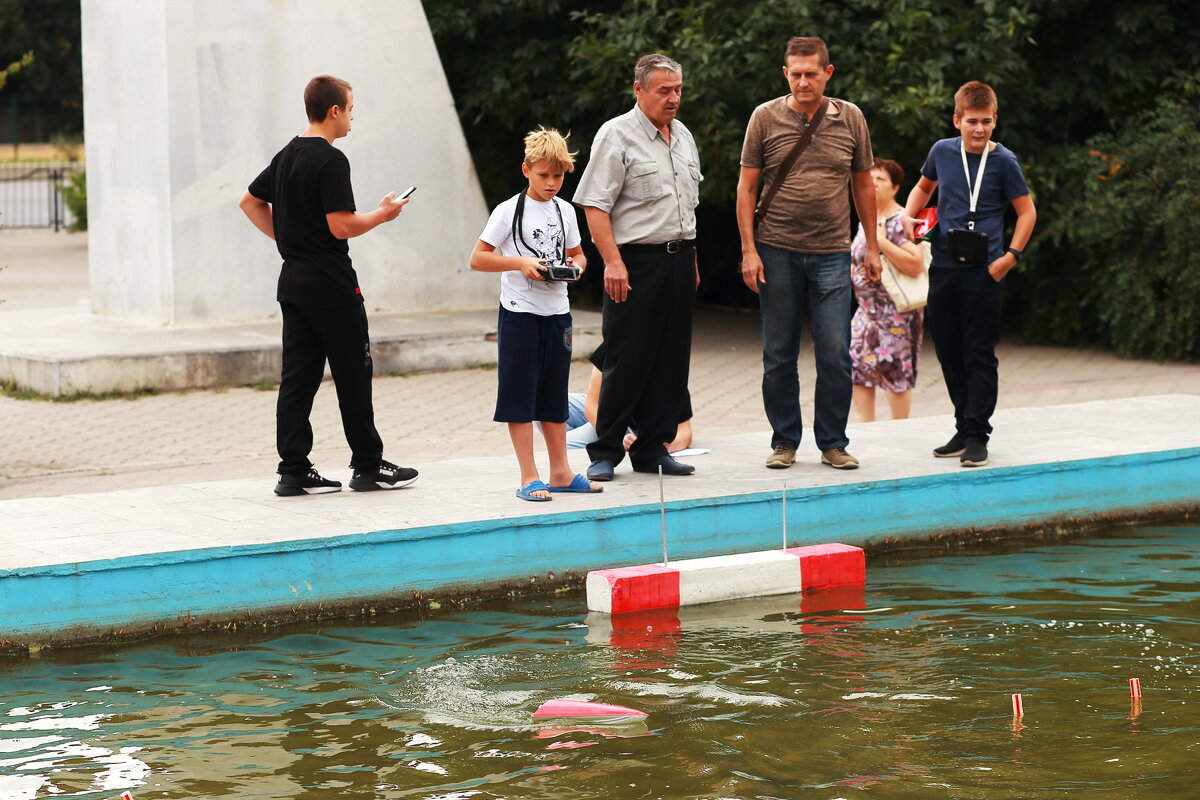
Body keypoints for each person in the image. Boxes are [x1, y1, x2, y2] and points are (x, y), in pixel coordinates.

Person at [239, 75, 418, 497]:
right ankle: (369, 466)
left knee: (297, 379)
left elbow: (249, 201)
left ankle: (294, 470)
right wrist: (383, 214)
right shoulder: (331, 160)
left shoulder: (286, 154)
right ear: (334, 110)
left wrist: (289, 241)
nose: (353, 117)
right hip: (332, 284)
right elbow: (341, 226)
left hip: (294, 281)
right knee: (354, 372)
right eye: (351, 109)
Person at [737, 36, 880, 472]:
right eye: (795, 74)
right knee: (778, 353)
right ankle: (784, 441)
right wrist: (748, 250)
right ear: (786, 74)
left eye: (811, 74)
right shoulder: (764, 117)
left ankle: (833, 443)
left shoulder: (850, 117)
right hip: (775, 250)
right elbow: (746, 188)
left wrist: (872, 246)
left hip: (833, 252)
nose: (803, 81)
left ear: (827, 73)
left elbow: (863, 185)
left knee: (836, 352)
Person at [573, 53, 703, 482]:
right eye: (664, 90)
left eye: (678, 89)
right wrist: (612, 262)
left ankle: (653, 448)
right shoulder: (617, 135)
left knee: (671, 356)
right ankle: (606, 448)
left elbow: (689, 207)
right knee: (627, 355)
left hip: (680, 257)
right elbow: (594, 204)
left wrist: (693, 262)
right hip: (636, 262)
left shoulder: (682, 135)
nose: (673, 98)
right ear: (639, 90)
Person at [901, 81, 1036, 467]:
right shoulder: (942, 151)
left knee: (978, 352)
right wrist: (911, 217)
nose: (979, 129)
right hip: (944, 265)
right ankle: (963, 425)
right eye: (972, 121)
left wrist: (1010, 256)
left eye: (987, 122)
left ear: (996, 121)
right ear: (957, 120)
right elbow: (923, 187)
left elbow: (1026, 212)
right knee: (947, 351)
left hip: (985, 270)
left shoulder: (1004, 161)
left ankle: (979, 434)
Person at [468, 126, 602, 501]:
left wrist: (576, 268)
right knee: (519, 394)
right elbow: (478, 257)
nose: (551, 183)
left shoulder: (566, 211)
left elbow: (578, 254)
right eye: (544, 175)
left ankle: (561, 471)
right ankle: (530, 475)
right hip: (520, 313)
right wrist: (520, 263)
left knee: (553, 394)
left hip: (557, 312)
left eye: (558, 176)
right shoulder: (508, 211)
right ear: (526, 169)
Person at [850, 158, 926, 422]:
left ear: (895, 188)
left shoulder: (899, 221)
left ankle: (900, 430)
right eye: (869, 179)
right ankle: (866, 428)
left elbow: (916, 263)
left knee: (895, 375)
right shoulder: (866, 218)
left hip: (896, 315)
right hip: (865, 312)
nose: (872, 183)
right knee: (858, 371)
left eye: (880, 179)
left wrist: (881, 242)